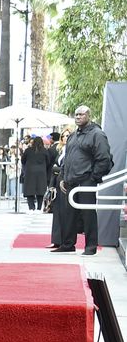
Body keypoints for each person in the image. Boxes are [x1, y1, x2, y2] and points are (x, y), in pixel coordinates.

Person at [53, 106, 113, 256]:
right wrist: (63, 177)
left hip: (86, 181)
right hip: (70, 181)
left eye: (81, 114)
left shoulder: (97, 134)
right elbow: (67, 158)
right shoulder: (73, 136)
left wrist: (93, 178)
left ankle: (90, 246)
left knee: (88, 214)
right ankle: (68, 244)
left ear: (88, 116)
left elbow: (104, 159)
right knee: (68, 214)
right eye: (76, 115)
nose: (78, 117)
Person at [21, 136, 50, 212]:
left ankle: (31, 207)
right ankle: (39, 208)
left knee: (29, 190)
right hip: (41, 173)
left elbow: (23, 160)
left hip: (30, 172)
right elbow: (48, 162)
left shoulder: (28, 150)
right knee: (40, 191)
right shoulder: (45, 151)